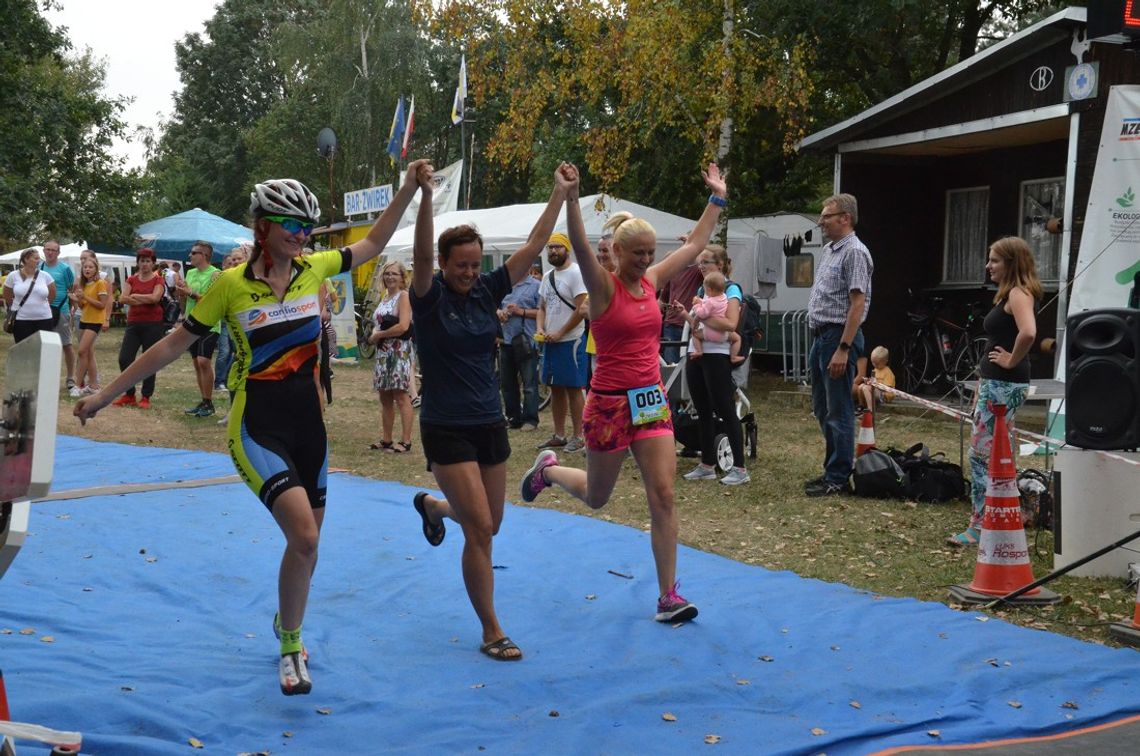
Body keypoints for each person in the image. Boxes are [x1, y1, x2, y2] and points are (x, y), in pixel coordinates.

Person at [77, 163, 431, 695]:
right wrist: (104, 395)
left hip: (309, 428)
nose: (302, 234)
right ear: (263, 225)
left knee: (308, 549)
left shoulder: (316, 268)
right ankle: (291, 647)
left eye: (308, 226)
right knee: (305, 535)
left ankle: (287, 625)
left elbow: (376, 241)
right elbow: (171, 345)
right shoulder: (228, 285)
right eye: (292, 223)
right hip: (255, 427)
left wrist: (406, 187)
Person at [520, 161, 728, 623]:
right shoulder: (602, 285)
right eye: (638, 253)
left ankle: (668, 595)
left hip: (651, 401)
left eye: (651, 252)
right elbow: (576, 242)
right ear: (617, 252)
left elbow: (694, 244)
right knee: (597, 497)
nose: (646, 260)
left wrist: (717, 197)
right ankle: (550, 471)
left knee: (664, 495)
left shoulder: (652, 281)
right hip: (610, 404)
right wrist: (572, 198)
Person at [410, 164, 574, 662]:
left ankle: (435, 506)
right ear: (443, 262)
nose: (469, 272)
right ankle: (491, 629)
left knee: (490, 523)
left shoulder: (487, 290)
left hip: (488, 421)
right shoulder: (429, 296)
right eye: (460, 264)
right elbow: (418, 255)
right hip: (445, 426)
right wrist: (422, 198)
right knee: (480, 529)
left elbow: (535, 242)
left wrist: (560, 192)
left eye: (475, 264)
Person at [948, 237, 1041, 547]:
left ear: (1012, 263)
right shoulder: (1009, 295)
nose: (988, 266)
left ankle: (980, 524)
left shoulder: (1018, 294)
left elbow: (1028, 332)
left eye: (995, 261)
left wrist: (1010, 360)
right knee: (997, 455)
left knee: (981, 455)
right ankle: (1002, 516)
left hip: (1004, 385)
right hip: (995, 385)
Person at [803, 194, 873, 497]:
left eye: (826, 217)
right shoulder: (831, 250)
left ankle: (839, 477)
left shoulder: (855, 252)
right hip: (820, 336)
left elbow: (858, 303)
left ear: (845, 218)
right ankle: (831, 468)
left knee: (839, 408)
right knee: (821, 407)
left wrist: (843, 348)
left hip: (837, 336)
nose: (821, 222)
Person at [678, 245, 750, 486]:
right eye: (700, 262)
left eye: (706, 262)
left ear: (720, 264)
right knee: (702, 408)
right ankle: (707, 463)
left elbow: (729, 324)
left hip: (717, 355)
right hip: (697, 352)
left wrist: (702, 314)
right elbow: (697, 320)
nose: (701, 266)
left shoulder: (731, 289)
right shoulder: (702, 289)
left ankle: (740, 468)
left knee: (725, 408)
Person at [536, 232, 588, 453]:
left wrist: (560, 332)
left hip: (571, 340)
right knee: (555, 387)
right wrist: (540, 328)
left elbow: (582, 308)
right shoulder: (547, 276)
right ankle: (559, 434)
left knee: (574, 388)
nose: (553, 251)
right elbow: (542, 307)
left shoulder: (576, 273)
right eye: (550, 248)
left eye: (557, 247)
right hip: (550, 341)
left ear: (567, 249)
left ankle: (579, 435)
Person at [111, 248, 167, 409]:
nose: (144, 264)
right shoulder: (131, 280)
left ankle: (146, 396)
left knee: (149, 360)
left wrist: (135, 297)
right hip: (134, 323)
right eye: (142, 261)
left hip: (153, 324)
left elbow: (155, 298)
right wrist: (145, 299)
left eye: (148, 261)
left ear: (153, 263)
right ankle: (129, 394)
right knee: (125, 359)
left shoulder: (158, 280)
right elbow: (122, 298)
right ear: (138, 262)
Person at [368, 260, 415, 453]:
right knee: (385, 398)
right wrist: (373, 333)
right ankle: (386, 439)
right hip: (383, 353)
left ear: (402, 277)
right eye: (387, 273)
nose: (389, 277)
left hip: (398, 351)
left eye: (394, 274)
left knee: (401, 396)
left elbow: (403, 326)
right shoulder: (385, 298)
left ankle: (406, 440)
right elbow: (377, 323)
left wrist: (378, 335)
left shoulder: (403, 296)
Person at [177, 241, 222, 417]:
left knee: (204, 361)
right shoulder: (190, 273)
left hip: (210, 323)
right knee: (197, 364)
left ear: (204, 255)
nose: (190, 255)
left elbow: (211, 301)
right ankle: (204, 401)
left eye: (194, 253)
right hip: (191, 322)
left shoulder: (216, 275)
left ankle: (209, 403)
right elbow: (185, 300)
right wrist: (181, 293)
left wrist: (189, 293)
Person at [498, 259, 543, 431]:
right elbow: (494, 307)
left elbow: (541, 312)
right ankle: (513, 418)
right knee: (508, 384)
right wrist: (500, 313)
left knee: (529, 383)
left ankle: (530, 419)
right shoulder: (505, 286)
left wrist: (520, 312)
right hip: (506, 340)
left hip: (526, 341)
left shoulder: (536, 286)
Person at [39, 240, 79, 395]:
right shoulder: (39, 267)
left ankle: (70, 379)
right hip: (43, 311)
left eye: (53, 250)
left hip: (61, 310)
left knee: (66, 344)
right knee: (45, 345)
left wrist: (70, 307)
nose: (49, 252)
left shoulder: (64, 268)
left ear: (58, 253)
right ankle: (47, 379)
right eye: (47, 249)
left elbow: (72, 288)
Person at [658, 238, 703, 364]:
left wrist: (694, 244)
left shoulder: (698, 271)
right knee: (670, 366)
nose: (686, 250)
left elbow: (703, 260)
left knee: (687, 365)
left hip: (690, 325)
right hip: (671, 324)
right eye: (684, 247)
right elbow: (662, 299)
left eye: (689, 247)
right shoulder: (674, 271)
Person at [686, 270, 743, 362]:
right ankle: (734, 356)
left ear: (710, 290)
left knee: (695, 335)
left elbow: (702, 313)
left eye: (705, 289)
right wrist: (701, 301)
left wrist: (696, 305)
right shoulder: (724, 297)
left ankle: (699, 351)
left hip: (710, 332)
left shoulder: (710, 302)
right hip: (724, 334)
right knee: (737, 339)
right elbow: (707, 304)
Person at [3, 248, 57, 343]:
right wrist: (14, 306)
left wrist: (41, 305)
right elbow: (7, 295)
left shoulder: (45, 275)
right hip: (21, 320)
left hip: (44, 319)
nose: (39, 261)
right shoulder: (13, 275)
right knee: (23, 349)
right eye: (36, 258)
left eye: (39, 258)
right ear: (26, 259)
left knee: (43, 349)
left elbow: (52, 295)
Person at [74, 254, 110, 394]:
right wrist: (78, 299)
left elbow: (102, 304)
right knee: (88, 353)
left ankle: (77, 386)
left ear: (96, 269)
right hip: (84, 319)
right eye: (85, 267)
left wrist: (85, 297)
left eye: (90, 267)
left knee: (82, 351)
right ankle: (94, 386)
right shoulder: (84, 284)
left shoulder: (100, 283)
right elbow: (83, 307)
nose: (87, 269)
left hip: (95, 321)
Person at [854, 346, 896, 411]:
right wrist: (868, 381)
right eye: (873, 362)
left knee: (866, 388)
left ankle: (870, 409)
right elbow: (873, 381)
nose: (874, 365)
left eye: (877, 363)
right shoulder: (875, 370)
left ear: (885, 361)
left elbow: (887, 388)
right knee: (861, 386)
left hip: (885, 395)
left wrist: (875, 385)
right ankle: (861, 405)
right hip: (876, 390)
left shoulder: (888, 372)